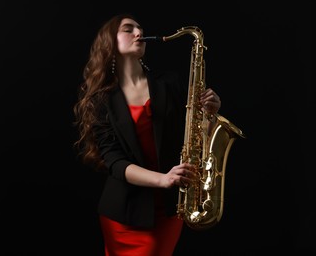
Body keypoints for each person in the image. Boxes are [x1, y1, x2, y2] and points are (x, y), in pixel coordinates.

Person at [73, 13, 221, 256]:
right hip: (123, 213)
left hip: (169, 209)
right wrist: (163, 179)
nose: (138, 33)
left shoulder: (169, 83)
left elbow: (195, 136)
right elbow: (115, 162)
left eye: (140, 28)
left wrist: (209, 114)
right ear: (110, 43)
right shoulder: (101, 100)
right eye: (128, 29)